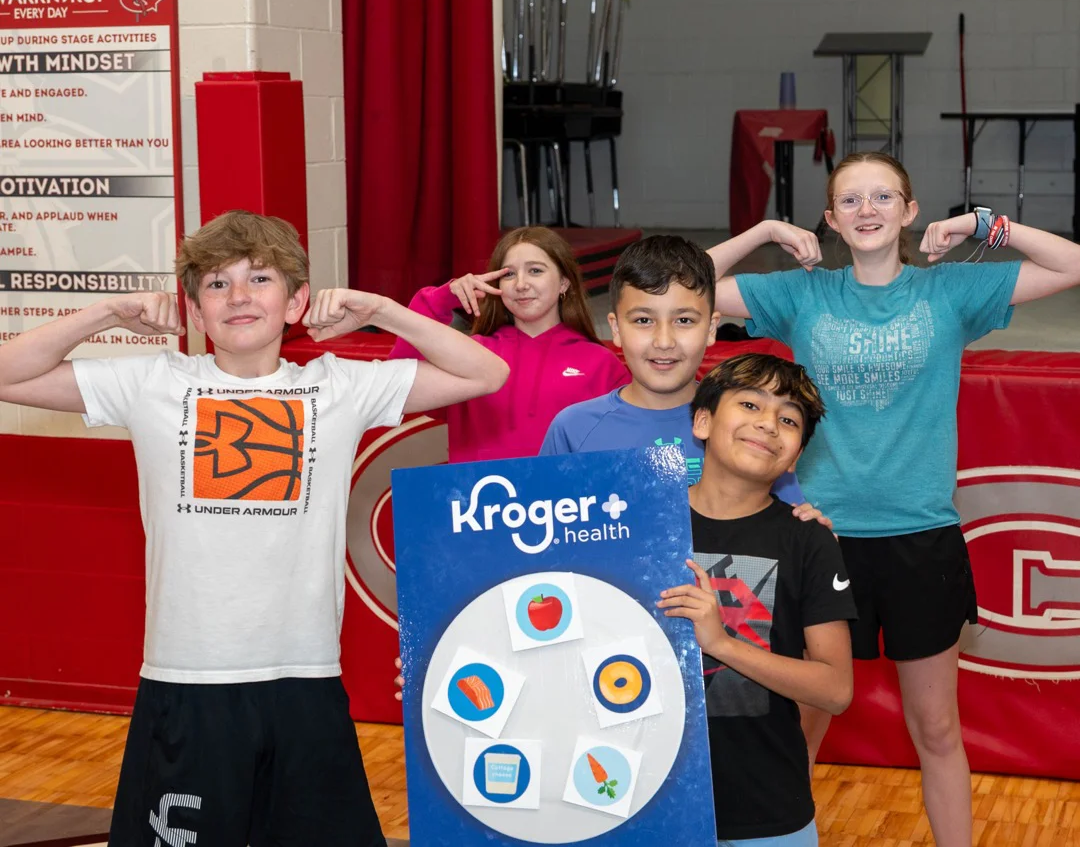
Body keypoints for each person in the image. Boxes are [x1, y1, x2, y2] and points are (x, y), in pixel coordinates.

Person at [0, 210, 509, 847]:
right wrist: (106, 313)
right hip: (189, 679)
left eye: (260, 279)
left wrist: (381, 310)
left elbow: (487, 373)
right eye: (217, 284)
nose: (239, 296)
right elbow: (7, 373)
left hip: (305, 677)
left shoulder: (339, 385)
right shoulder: (152, 381)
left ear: (296, 301)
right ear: (194, 308)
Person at [706, 151, 1080, 847]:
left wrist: (985, 224)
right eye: (850, 200)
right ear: (830, 219)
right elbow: (681, 286)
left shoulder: (949, 291)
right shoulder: (804, 294)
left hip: (921, 539)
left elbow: (1072, 264)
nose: (868, 210)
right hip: (821, 538)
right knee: (800, 724)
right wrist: (763, 231)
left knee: (936, 727)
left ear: (910, 211)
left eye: (883, 197)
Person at [658, 354, 855, 847]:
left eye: (789, 420)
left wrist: (722, 644)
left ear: (796, 456)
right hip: (646, 800)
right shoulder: (645, 523)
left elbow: (836, 689)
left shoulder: (810, 541)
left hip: (766, 810)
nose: (768, 423)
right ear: (702, 422)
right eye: (750, 404)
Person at [540, 234, 805, 505]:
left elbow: (786, 520)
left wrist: (807, 524)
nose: (664, 341)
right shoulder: (573, 429)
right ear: (616, 329)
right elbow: (544, 524)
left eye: (684, 320)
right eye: (643, 320)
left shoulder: (749, 430)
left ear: (711, 328)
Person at [389, 225, 628, 462]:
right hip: (480, 488)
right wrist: (439, 300)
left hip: (568, 488)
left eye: (535, 271)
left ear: (564, 282)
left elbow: (626, 447)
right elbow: (397, 388)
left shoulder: (600, 362)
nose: (521, 284)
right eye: (509, 274)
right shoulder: (469, 353)